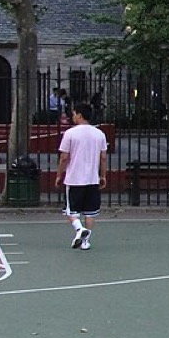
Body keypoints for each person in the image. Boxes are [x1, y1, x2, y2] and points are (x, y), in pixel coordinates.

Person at [54, 103, 108, 250]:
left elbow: (64, 157)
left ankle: (79, 229)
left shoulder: (70, 134)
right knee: (90, 213)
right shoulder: (99, 134)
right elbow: (103, 157)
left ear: (79, 115)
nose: (73, 117)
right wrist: (102, 175)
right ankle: (85, 241)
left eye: (74, 114)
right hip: (92, 179)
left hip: (74, 179)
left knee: (71, 211)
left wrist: (59, 175)